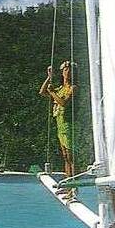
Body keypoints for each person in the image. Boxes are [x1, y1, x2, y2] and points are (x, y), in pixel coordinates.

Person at [39, 60, 76, 197]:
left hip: (69, 124)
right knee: (65, 156)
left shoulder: (73, 88)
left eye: (69, 70)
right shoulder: (60, 88)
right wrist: (49, 78)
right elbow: (42, 92)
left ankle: (73, 188)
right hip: (60, 124)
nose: (67, 72)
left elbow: (64, 103)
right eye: (65, 70)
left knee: (71, 157)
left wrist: (53, 93)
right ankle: (68, 184)